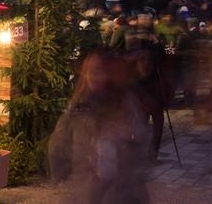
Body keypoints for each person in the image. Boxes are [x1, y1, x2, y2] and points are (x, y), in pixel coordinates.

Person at [47, 49, 151, 203]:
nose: (95, 77)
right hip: (87, 191)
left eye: (100, 71)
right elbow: (59, 141)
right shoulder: (78, 105)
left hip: (121, 192)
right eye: (91, 71)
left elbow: (141, 138)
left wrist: (125, 143)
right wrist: (59, 171)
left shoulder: (124, 102)